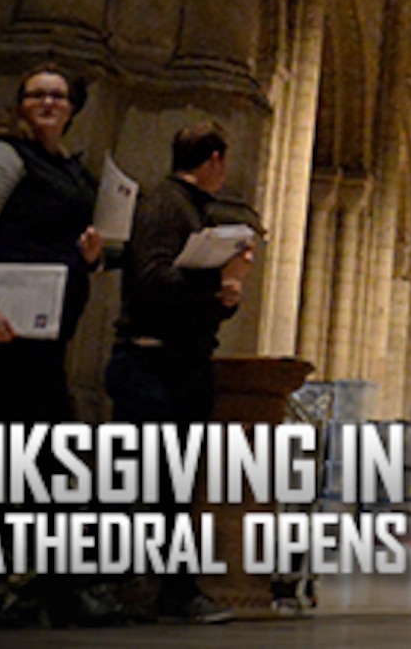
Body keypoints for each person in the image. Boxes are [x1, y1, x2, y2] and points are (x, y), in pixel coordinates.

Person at [0, 63, 115, 627]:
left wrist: (91, 255)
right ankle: (40, 592)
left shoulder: (66, 166)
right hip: (1, 327)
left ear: (72, 106)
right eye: (36, 94)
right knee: (26, 458)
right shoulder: (1, 156)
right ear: (21, 104)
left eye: (57, 95)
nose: (47, 102)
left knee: (26, 459)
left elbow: (64, 237)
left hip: (41, 331)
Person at [105, 120, 252, 625]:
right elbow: (151, 278)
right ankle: (115, 589)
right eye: (224, 162)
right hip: (151, 364)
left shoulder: (194, 210)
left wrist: (226, 294)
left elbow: (189, 297)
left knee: (172, 487)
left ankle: (174, 592)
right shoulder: (167, 205)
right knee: (137, 483)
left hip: (179, 363)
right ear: (215, 160)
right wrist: (217, 286)